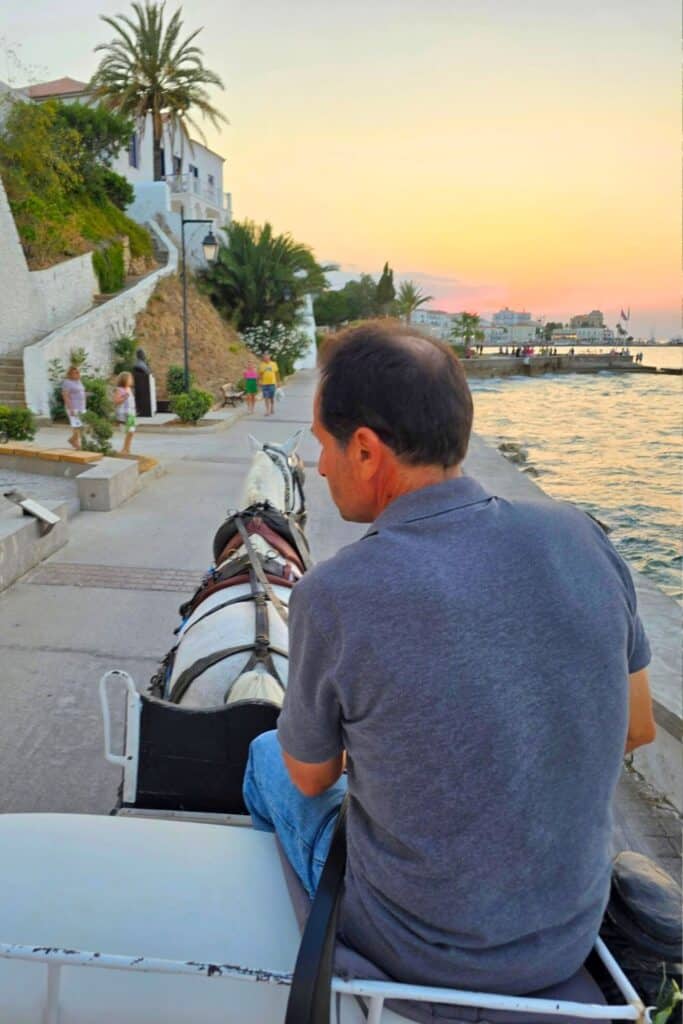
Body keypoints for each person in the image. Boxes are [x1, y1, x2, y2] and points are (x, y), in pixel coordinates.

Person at [243, 320, 656, 996]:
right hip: (564, 936)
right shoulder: (581, 536)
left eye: (323, 445)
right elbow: (635, 727)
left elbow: (312, 778)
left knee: (267, 757)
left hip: (416, 948)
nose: (318, 467)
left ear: (368, 452)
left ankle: (295, 944)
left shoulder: (334, 593)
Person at [61, 365, 86, 450]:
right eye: (76, 372)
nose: (78, 374)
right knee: (77, 426)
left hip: (81, 408)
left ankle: (73, 440)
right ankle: (76, 444)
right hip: (73, 408)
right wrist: (70, 408)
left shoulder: (79, 381)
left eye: (78, 372)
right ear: (70, 374)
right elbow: (65, 396)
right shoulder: (67, 382)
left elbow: (80, 392)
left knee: (81, 426)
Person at [113, 371, 137, 455]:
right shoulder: (119, 389)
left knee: (131, 432)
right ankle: (124, 449)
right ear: (124, 380)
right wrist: (124, 397)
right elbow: (116, 401)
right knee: (129, 431)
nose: (131, 380)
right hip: (124, 414)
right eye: (129, 379)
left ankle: (127, 449)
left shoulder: (129, 389)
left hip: (131, 413)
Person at [258, 351, 279, 416]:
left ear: (269, 357)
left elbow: (276, 373)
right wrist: (259, 381)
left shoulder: (273, 364)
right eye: (264, 356)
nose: (265, 357)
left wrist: (278, 382)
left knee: (271, 398)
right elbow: (260, 374)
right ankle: (267, 410)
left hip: (272, 383)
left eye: (267, 356)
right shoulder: (261, 365)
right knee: (266, 397)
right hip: (264, 384)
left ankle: (272, 407)